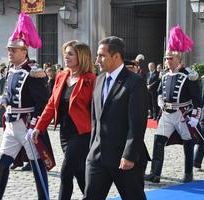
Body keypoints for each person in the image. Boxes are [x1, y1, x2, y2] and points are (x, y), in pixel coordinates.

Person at [0, 12, 54, 200]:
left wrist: (34, 124)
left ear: (24, 52)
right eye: (9, 50)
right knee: (3, 163)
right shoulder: (11, 70)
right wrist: (3, 99)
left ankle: (44, 197)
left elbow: (42, 102)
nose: (10, 53)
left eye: (13, 50)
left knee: (37, 166)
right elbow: (9, 94)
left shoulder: (34, 73)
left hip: (27, 125)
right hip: (11, 125)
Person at [83, 36, 149, 200]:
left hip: (123, 159)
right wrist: (92, 148)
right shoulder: (98, 80)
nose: (97, 60)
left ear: (116, 56)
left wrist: (129, 155)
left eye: (101, 55)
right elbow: (95, 118)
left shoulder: (134, 82)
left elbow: (137, 123)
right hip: (97, 157)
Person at [32, 40, 96, 200]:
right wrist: (39, 127)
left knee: (66, 172)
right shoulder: (61, 76)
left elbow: (98, 110)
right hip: (65, 134)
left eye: (70, 54)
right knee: (79, 171)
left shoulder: (90, 79)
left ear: (81, 56)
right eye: (65, 53)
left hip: (83, 133)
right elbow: (51, 103)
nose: (66, 57)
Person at [145, 25, 202, 183]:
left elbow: (198, 99)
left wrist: (195, 117)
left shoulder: (188, 75)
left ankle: (188, 173)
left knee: (188, 143)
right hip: (167, 114)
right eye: (165, 58)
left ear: (179, 60)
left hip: (183, 114)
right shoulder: (164, 75)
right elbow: (159, 93)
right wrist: (160, 101)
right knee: (158, 141)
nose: (167, 60)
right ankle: (155, 173)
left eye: (170, 58)